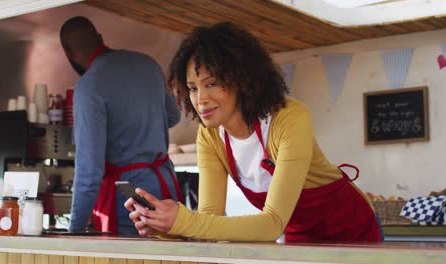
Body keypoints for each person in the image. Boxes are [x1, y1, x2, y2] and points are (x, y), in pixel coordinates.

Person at [124, 22, 382, 242]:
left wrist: (183, 220)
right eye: (192, 88)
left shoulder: (289, 118)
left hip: (353, 230)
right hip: (300, 237)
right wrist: (164, 226)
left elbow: (272, 224)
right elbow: (209, 222)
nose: (200, 99)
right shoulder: (210, 136)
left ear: (242, 78)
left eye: (211, 83)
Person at [59, 16, 182, 235]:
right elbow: (173, 117)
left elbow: (89, 172)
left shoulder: (89, 87)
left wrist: (74, 233)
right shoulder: (148, 64)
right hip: (166, 190)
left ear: (67, 52)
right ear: (99, 38)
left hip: (130, 202)